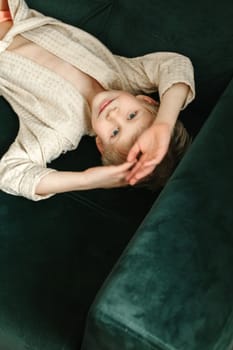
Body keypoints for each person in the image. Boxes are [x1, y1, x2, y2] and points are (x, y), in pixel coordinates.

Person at [0, 0, 195, 201]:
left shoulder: (62, 130)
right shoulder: (123, 76)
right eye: (132, 115)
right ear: (147, 100)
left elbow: (11, 173)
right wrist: (164, 122)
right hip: (11, 10)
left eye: (115, 132)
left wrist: (86, 180)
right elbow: (175, 65)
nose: (113, 115)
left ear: (101, 144)